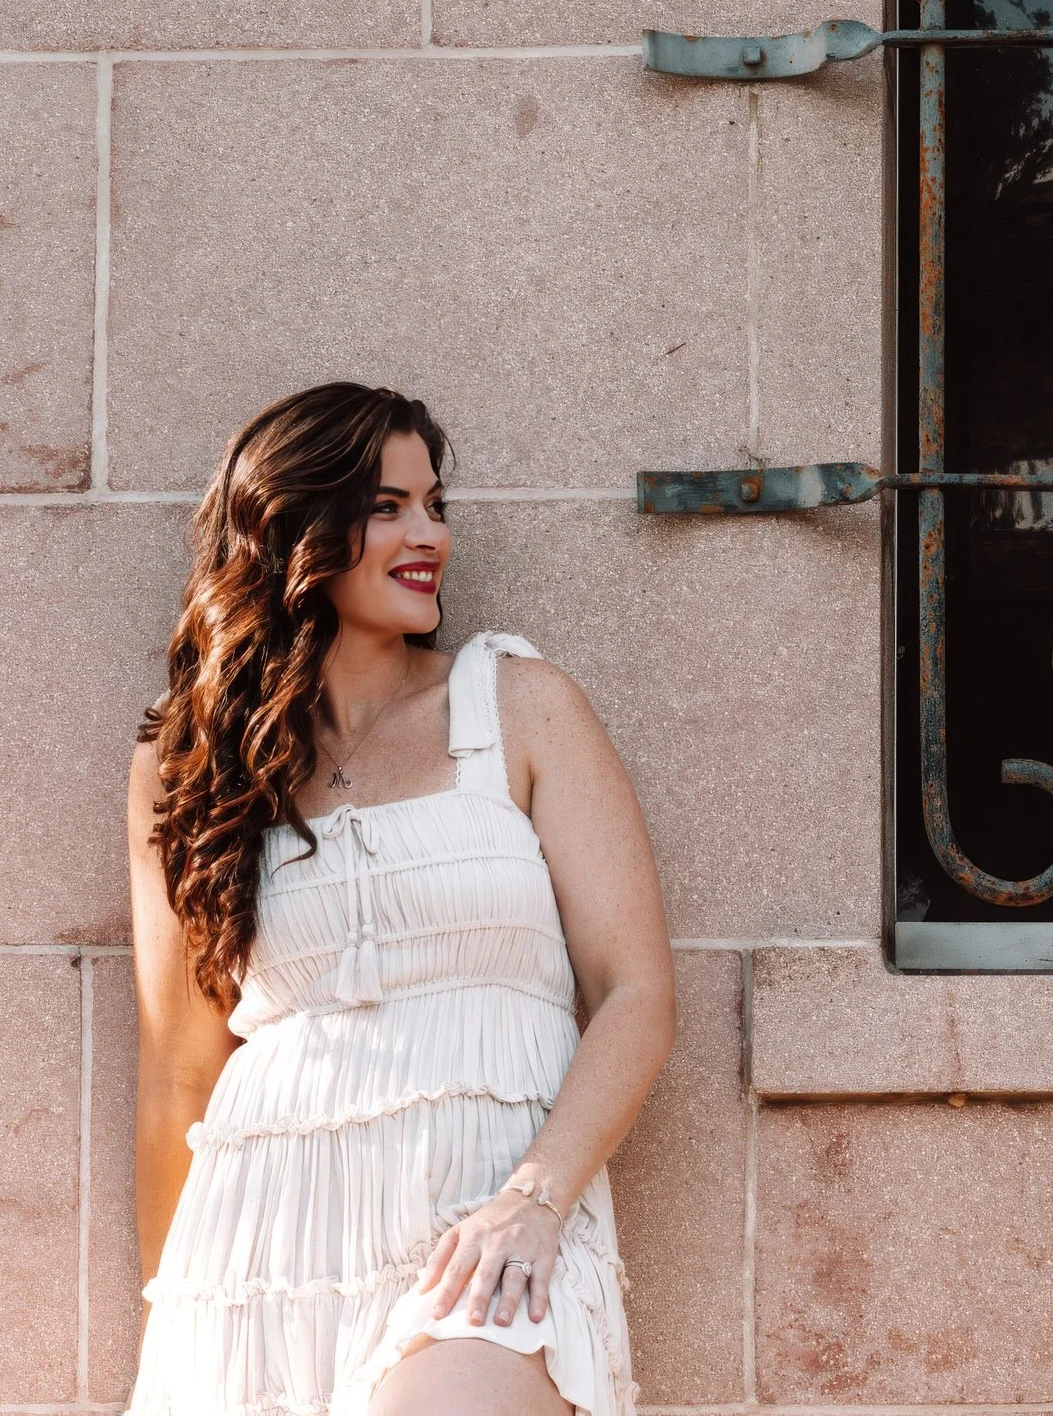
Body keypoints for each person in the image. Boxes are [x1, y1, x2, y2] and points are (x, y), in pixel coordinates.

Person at [125, 383, 675, 1416]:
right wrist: (174, 1324)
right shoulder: (189, 759)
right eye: (387, 506)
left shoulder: (517, 704)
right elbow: (178, 1064)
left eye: (434, 503)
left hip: (492, 1229)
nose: (431, 535)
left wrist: (533, 1198)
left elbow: (636, 990)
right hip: (257, 1247)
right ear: (294, 528)